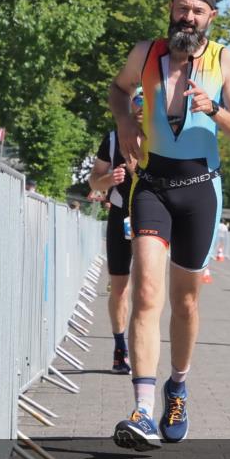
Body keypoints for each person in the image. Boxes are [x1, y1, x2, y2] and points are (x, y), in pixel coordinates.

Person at [108, 0, 230, 450]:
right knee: (147, 293)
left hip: (199, 190)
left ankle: (178, 386)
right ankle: (142, 411)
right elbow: (118, 89)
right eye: (181, 9)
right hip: (151, 185)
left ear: (211, 17)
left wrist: (214, 109)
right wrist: (126, 119)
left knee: (185, 302)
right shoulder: (146, 53)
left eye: (197, 11)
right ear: (170, 11)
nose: (187, 18)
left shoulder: (223, 61)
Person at [88, 89, 144, 375]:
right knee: (120, 288)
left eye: (150, 103)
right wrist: (108, 179)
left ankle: (142, 350)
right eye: (138, 101)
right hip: (120, 214)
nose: (143, 108)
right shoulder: (111, 140)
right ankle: (120, 347)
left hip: (150, 217)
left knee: (147, 289)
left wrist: (138, 171)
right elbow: (94, 182)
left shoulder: (164, 140)